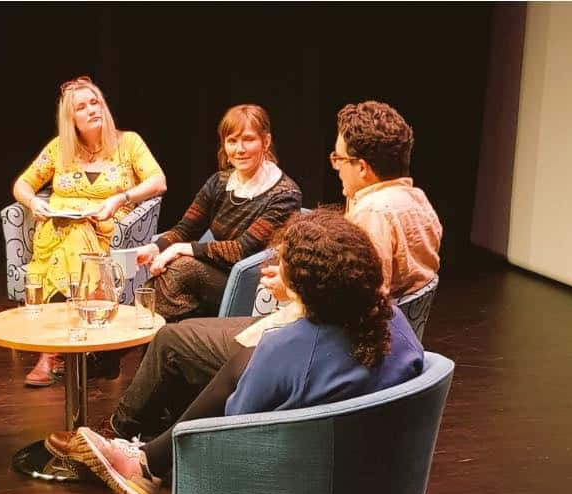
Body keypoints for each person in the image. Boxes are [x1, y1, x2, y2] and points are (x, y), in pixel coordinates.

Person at [47, 99, 441, 447]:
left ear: (364, 167)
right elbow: (188, 226)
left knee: (172, 335)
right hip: (331, 335)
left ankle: (120, 433)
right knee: (175, 280)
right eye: (231, 141)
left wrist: (289, 290)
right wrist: (165, 244)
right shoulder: (415, 199)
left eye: (338, 159)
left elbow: (353, 299)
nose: (335, 167)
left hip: (320, 346)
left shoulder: (370, 211)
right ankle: (153, 418)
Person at [62, 209, 424, 494]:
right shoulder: (394, 323)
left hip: (293, 492)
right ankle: (146, 458)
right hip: (380, 492)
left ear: (303, 288)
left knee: (214, 357)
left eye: (284, 267)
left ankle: (143, 462)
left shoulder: (285, 349)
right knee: (239, 359)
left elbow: (229, 434)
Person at [13, 75, 167, 387]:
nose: (92, 110)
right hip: (58, 232)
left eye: (95, 102)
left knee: (77, 239)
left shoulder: (129, 143)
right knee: (71, 237)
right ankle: (72, 350)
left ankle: (51, 354)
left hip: (110, 233)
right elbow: (22, 184)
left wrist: (119, 198)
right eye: (82, 107)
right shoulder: (60, 149)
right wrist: (33, 203)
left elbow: (158, 182)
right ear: (72, 119)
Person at [132, 103, 302, 322]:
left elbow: (243, 250)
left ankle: (152, 343)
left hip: (253, 282)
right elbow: (186, 228)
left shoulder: (285, 194)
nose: (239, 149)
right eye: (232, 141)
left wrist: (182, 249)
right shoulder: (219, 183)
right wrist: (155, 247)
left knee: (182, 268)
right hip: (217, 272)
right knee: (169, 273)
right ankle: (171, 341)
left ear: (265, 141)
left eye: (248, 139)